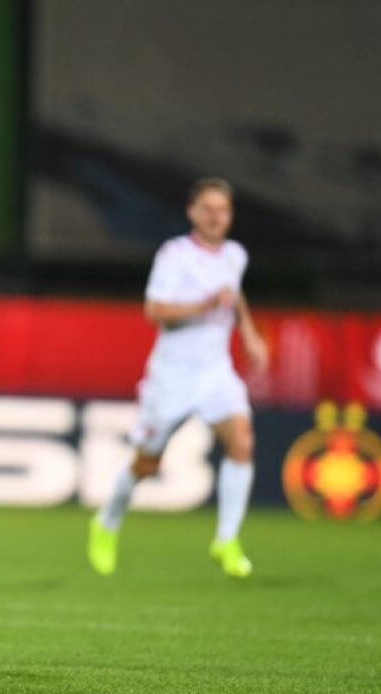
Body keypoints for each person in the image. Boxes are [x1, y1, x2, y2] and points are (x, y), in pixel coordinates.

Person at [88, 177, 269, 578]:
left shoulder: (235, 255)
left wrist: (251, 334)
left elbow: (234, 294)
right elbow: (155, 311)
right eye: (206, 208)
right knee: (146, 463)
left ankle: (226, 538)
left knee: (241, 440)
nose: (214, 217)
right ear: (192, 212)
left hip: (216, 372)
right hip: (172, 377)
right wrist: (204, 304)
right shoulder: (174, 255)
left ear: (230, 216)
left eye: (222, 210)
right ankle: (107, 522)